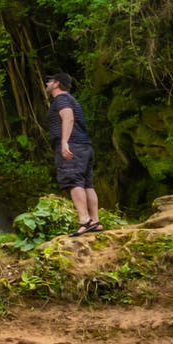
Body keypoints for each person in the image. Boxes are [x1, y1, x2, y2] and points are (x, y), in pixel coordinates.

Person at [43, 72, 100, 234]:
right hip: (84, 146)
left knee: (74, 181)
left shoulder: (61, 99)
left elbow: (68, 118)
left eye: (49, 81)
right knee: (87, 184)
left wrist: (64, 142)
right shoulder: (72, 100)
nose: (47, 83)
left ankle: (84, 220)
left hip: (73, 146)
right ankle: (95, 221)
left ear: (57, 83)